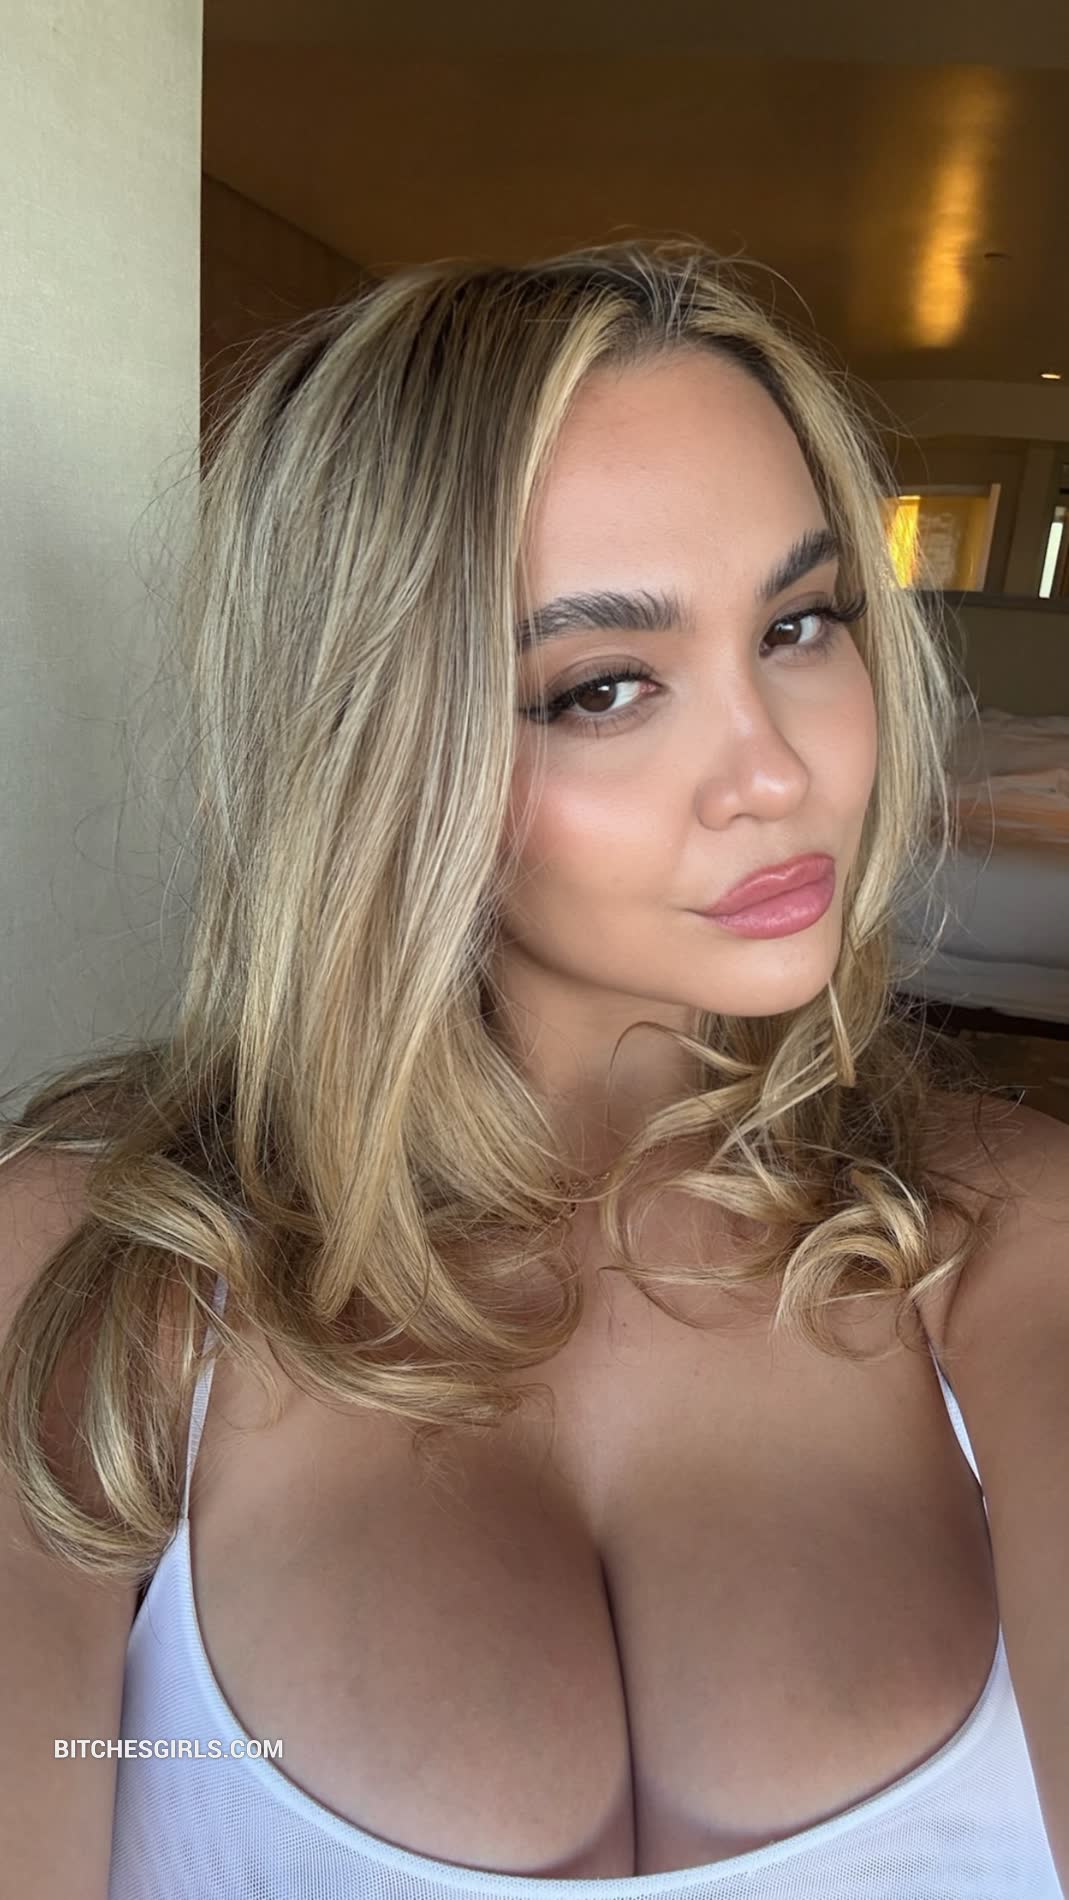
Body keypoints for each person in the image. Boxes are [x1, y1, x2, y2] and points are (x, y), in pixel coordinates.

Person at [0, 242, 1066, 1897]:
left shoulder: (1014, 1242)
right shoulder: (83, 1272)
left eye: (797, 623)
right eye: (603, 688)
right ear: (367, 745)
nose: (776, 773)